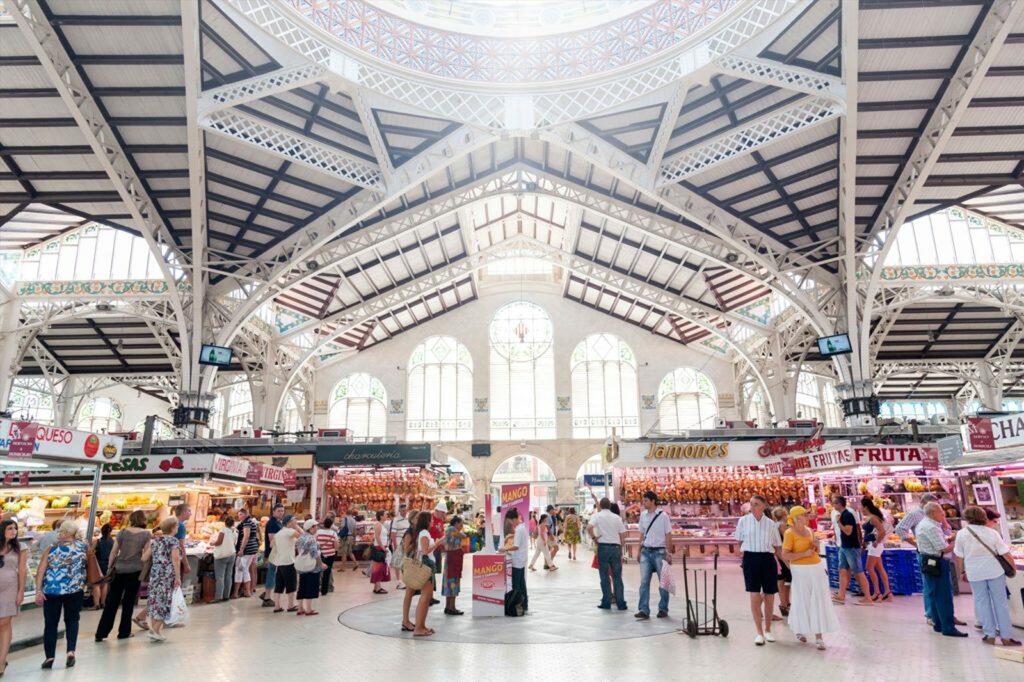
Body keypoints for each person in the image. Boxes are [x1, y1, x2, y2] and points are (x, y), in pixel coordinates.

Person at [953, 505, 1020, 646]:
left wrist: (962, 572)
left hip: (974, 573)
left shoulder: (961, 534)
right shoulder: (992, 533)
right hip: (995, 572)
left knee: (982, 603)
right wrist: (1013, 568)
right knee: (1000, 603)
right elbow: (1005, 553)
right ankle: (1006, 636)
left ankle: (989, 635)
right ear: (983, 516)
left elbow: (959, 556)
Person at [781, 506, 838, 651]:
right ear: (796, 517)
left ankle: (819, 637)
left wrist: (816, 546)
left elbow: (814, 550)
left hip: (816, 567)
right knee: (802, 599)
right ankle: (799, 629)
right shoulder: (789, 533)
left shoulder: (810, 531)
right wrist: (804, 554)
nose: (807, 516)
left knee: (818, 599)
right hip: (800, 570)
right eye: (804, 514)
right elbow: (785, 555)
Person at [36, 520, 88, 668]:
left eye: (60, 532)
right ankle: (71, 651)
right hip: (74, 590)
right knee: (72, 621)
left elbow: (41, 571)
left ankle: (49, 657)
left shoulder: (51, 549)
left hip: (52, 591)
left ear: (66, 533)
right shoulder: (83, 547)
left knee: (50, 624)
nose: (59, 534)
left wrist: (39, 590)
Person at [733, 494, 782, 645]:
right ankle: (759, 632)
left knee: (769, 595)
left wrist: (788, 564)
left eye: (755, 504)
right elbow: (739, 541)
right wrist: (742, 557)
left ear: (763, 506)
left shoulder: (771, 524)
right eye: (751, 504)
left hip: (767, 559)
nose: (752, 507)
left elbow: (777, 546)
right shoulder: (743, 521)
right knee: (754, 595)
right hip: (750, 558)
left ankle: (768, 630)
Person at [95, 510, 151, 642]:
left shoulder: (122, 532)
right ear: (143, 520)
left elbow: (114, 552)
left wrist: (109, 568)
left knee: (112, 601)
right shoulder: (146, 534)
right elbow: (144, 557)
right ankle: (124, 632)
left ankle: (101, 632)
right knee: (128, 602)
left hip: (119, 569)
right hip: (135, 570)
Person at [918, 502, 966, 638]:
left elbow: (938, 542)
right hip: (937, 562)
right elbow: (943, 548)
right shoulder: (931, 527)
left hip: (929, 561)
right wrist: (958, 541)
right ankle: (948, 627)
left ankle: (938, 624)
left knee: (934, 594)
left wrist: (948, 538)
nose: (943, 515)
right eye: (941, 512)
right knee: (943, 596)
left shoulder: (925, 524)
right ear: (933, 513)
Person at [142, 517, 181, 643]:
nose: (177, 528)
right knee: (165, 600)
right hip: (167, 573)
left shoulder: (155, 541)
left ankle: (156, 631)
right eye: (176, 526)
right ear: (171, 528)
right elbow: (175, 559)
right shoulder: (173, 541)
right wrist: (178, 576)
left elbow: (144, 557)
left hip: (155, 573)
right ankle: (154, 630)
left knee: (155, 599)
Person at [636, 490, 674, 620]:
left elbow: (668, 534)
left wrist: (668, 552)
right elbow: (641, 534)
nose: (644, 503)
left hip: (660, 552)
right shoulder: (643, 516)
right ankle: (643, 609)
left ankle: (663, 609)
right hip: (646, 551)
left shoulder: (663, 516)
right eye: (643, 500)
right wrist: (638, 551)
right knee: (644, 582)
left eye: (646, 500)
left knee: (663, 581)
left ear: (653, 501)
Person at [831, 496, 873, 606]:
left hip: (851, 548)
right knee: (843, 570)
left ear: (839, 504)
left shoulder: (847, 515)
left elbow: (848, 531)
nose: (832, 505)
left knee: (858, 572)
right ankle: (841, 595)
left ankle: (868, 597)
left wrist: (838, 523)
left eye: (834, 503)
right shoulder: (842, 515)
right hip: (844, 546)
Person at [588, 498, 627, 611]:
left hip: (603, 548)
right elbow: (623, 534)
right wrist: (621, 546)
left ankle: (606, 602)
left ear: (600, 505)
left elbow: (589, 528)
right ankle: (621, 603)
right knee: (617, 577)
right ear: (610, 506)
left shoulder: (597, 516)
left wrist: (594, 538)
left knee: (604, 576)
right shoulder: (617, 518)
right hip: (615, 548)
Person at [408, 511, 442, 637]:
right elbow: (426, 550)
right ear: (426, 521)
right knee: (425, 598)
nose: (433, 521)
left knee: (427, 598)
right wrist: (438, 542)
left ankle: (421, 625)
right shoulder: (424, 533)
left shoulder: (422, 533)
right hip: (426, 566)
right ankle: (418, 627)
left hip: (427, 565)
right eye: (431, 520)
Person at [0, 520, 27, 674]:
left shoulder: (20, 547)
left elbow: (22, 570)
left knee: (4, 623)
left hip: (10, 588)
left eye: (15, 528)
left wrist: (21, 591)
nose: (13, 531)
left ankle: (1, 662)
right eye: (10, 528)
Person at [861, 496, 892, 602]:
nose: (861, 509)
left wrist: (876, 542)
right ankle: (887, 592)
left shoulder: (873, 518)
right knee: (879, 568)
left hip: (874, 546)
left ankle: (877, 592)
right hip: (872, 546)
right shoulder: (871, 517)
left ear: (865, 506)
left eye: (861, 507)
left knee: (869, 568)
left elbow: (882, 531)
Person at [270, 515, 300, 613]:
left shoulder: (278, 534)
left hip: (280, 562)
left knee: (279, 585)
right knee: (291, 584)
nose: (296, 522)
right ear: (289, 522)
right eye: (295, 521)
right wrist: (297, 527)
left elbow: (271, 544)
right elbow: (303, 536)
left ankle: (277, 606)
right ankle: (291, 605)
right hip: (289, 562)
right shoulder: (289, 531)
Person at [296, 519, 324, 616]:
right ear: (311, 528)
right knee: (310, 586)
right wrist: (321, 564)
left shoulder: (301, 538)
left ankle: (300, 608)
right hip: (312, 566)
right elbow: (314, 554)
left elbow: (298, 550)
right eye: (315, 526)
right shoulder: (311, 539)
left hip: (301, 564)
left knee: (302, 586)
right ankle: (308, 609)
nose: (317, 528)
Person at [505, 508, 529, 613]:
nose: (510, 523)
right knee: (522, 584)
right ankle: (524, 604)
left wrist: (504, 549)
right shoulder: (522, 527)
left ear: (513, 519)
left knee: (516, 585)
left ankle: (517, 606)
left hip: (517, 561)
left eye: (510, 521)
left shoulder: (519, 529)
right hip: (522, 559)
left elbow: (516, 547)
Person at [261, 504, 286, 606]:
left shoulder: (278, 522)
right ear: (274, 512)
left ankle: (266, 593)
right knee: (271, 574)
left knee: (273, 574)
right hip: (273, 553)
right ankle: (267, 598)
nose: (281, 512)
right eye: (279, 511)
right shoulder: (272, 523)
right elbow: (272, 539)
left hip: (277, 553)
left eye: (282, 511)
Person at [232, 508, 259, 598]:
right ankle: (247, 592)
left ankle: (237, 593)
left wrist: (241, 549)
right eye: (239, 515)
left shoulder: (247, 523)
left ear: (246, 514)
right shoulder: (250, 522)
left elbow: (246, 536)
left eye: (240, 514)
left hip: (247, 549)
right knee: (245, 569)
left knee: (239, 569)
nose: (239, 516)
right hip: (252, 549)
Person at [210, 514, 237, 603]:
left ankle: (218, 597)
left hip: (222, 556)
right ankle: (226, 595)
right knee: (228, 575)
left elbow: (219, 542)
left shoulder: (223, 530)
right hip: (232, 554)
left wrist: (212, 543)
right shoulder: (234, 531)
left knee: (220, 577)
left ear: (225, 523)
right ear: (233, 524)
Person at [442, 516, 466, 616]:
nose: (462, 526)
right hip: (453, 560)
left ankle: (448, 607)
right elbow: (463, 536)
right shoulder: (452, 529)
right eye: (461, 523)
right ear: (456, 523)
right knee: (453, 583)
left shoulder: (449, 529)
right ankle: (452, 607)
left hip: (452, 559)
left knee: (450, 583)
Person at [771, 507, 791, 618]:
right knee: (785, 581)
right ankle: (785, 604)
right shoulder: (782, 525)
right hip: (783, 555)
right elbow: (787, 539)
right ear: (784, 515)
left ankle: (785, 604)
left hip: (778, 555)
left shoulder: (774, 525)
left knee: (781, 581)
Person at [92, 524, 114, 610]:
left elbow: (91, 552)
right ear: (110, 531)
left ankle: (96, 604)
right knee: (105, 584)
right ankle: (103, 603)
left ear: (101, 531)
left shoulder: (97, 541)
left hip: (98, 565)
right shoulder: (113, 542)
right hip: (108, 565)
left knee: (96, 584)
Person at [388, 507, 411, 590]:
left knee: (405, 561)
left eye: (405, 510)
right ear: (400, 511)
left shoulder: (408, 519)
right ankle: (399, 581)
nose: (404, 512)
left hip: (407, 542)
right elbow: (393, 534)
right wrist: (395, 546)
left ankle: (405, 580)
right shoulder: (396, 520)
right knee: (398, 562)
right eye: (403, 510)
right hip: (399, 542)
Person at [316, 516, 339, 596]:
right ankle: (324, 590)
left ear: (324, 524)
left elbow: (315, 542)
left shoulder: (318, 532)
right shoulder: (333, 533)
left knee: (317, 571)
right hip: (330, 555)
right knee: (327, 572)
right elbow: (336, 546)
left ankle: (316, 588)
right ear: (331, 525)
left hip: (319, 554)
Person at [370, 510, 389, 595]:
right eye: (385, 514)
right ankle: (378, 588)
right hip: (379, 548)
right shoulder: (378, 525)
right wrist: (382, 547)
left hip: (381, 547)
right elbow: (377, 537)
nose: (387, 515)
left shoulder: (381, 525)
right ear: (381, 516)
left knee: (378, 568)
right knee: (378, 568)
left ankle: (377, 587)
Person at [173, 503, 192, 581]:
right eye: (189, 511)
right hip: (176, 560)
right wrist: (186, 565)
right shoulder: (180, 526)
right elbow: (181, 547)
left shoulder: (172, 522)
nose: (191, 514)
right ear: (184, 512)